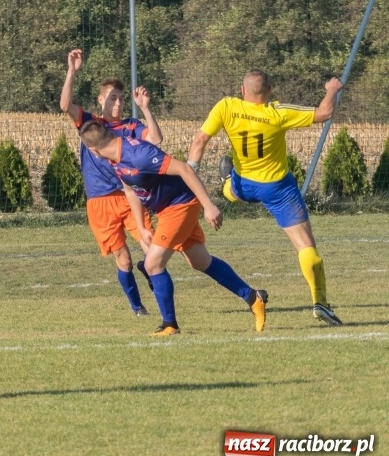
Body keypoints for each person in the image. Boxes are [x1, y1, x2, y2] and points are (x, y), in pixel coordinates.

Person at [79, 120, 268, 336]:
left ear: (93, 150)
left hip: (181, 204)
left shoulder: (138, 153)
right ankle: (254, 297)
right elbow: (130, 190)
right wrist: (141, 227)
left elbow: (184, 169)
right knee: (199, 261)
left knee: (152, 264)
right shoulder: (115, 159)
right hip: (167, 209)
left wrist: (209, 206)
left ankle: (170, 325)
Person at [187, 70, 344, 326]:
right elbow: (325, 112)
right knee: (307, 248)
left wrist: (190, 173)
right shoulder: (277, 113)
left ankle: (227, 183)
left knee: (232, 186)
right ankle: (320, 303)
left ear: (242, 90)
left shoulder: (227, 106)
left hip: (245, 185)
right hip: (277, 189)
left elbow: (200, 140)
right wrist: (333, 88)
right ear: (270, 91)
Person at [60, 48, 164, 317]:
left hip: (130, 198)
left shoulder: (130, 125)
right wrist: (72, 71)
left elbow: (156, 139)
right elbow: (64, 106)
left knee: (151, 248)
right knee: (124, 259)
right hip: (100, 203)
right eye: (112, 99)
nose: (117, 104)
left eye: (120, 99)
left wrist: (146, 108)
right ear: (101, 100)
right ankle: (137, 306)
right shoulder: (90, 124)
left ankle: (157, 286)